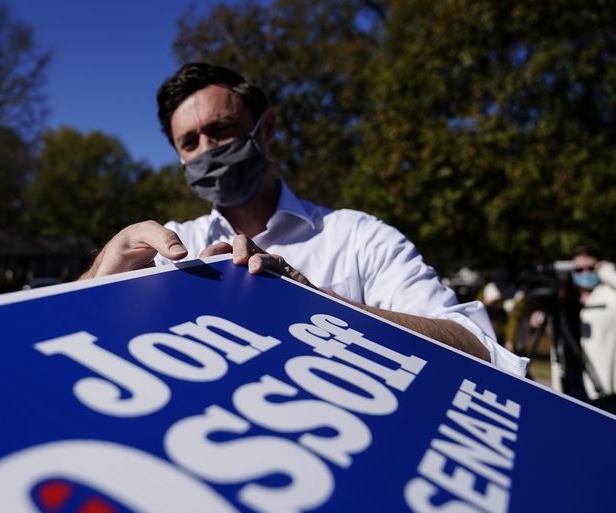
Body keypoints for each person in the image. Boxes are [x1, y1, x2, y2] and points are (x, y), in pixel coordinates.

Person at [80, 63, 527, 376]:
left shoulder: (358, 237)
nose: (207, 151)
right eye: (190, 142)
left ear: (266, 128)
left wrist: (318, 306)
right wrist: (99, 276)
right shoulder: (173, 247)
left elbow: (480, 348)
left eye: (220, 130)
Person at [570, 246, 616, 412]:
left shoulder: (610, 294)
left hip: (604, 386)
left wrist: (608, 272)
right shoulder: (568, 298)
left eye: (591, 268)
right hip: (572, 380)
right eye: (579, 270)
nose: (585, 274)